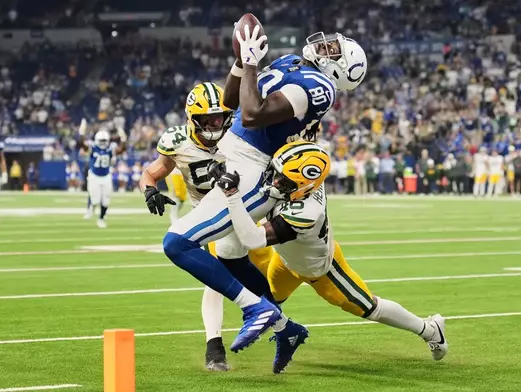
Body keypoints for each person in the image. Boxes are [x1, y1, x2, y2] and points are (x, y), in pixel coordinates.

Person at [161, 26, 368, 354]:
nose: (326, 48)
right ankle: (286, 329)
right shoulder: (292, 62)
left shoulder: (321, 86)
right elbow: (231, 101)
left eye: (335, 52)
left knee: (176, 244)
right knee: (229, 256)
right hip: (235, 161)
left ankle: (255, 308)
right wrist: (241, 63)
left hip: (252, 170)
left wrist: (254, 62)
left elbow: (254, 116)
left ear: (341, 70)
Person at [215, 141, 448, 373]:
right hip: (285, 261)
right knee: (267, 305)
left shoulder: (306, 212)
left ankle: (429, 329)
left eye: (283, 181)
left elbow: (254, 239)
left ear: (304, 185)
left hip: (320, 269)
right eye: (277, 174)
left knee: (368, 307)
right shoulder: (304, 179)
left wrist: (232, 195)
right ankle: (289, 337)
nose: (275, 182)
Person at [142, 82, 274, 371]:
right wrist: (149, 190)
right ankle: (215, 347)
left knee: (260, 278)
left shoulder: (239, 138)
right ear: (192, 119)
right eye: (207, 120)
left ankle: (274, 317)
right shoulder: (178, 141)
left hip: (244, 211)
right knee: (215, 279)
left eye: (219, 118)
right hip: (207, 214)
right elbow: (152, 172)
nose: (215, 125)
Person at [79, 122, 127, 228]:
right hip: (94, 175)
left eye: (104, 141)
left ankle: (101, 218)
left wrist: (123, 139)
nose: (102, 143)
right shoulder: (93, 147)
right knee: (94, 197)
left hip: (106, 176)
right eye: (101, 140)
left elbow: (121, 150)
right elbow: (82, 145)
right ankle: (90, 209)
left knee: (106, 199)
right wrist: (81, 133)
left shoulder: (110, 149)